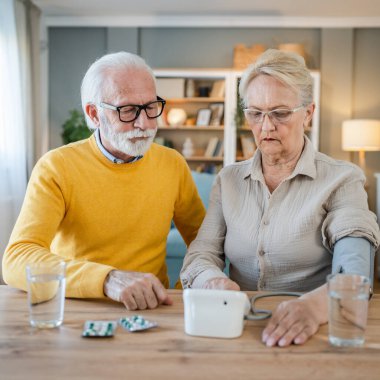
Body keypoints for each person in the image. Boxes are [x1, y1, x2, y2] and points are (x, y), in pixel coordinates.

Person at [180, 49, 380, 347]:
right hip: (238, 330)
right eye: (255, 113)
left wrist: (313, 307)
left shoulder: (342, 178)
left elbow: (354, 272)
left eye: (281, 113)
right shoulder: (228, 181)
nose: (266, 126)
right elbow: (200, 254)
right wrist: (212, 279)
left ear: (308, 113)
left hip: (311, 329)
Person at [3, 51, 206, 310]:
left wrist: (180, 293)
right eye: (128, 110)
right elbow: (17, 259)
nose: (144, 123)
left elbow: (203, 241)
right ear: (94, 114)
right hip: (79, 306)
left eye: (151, 107)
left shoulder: (173, 163)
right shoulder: (56, 167)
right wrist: (107, 279)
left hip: (152, 307)